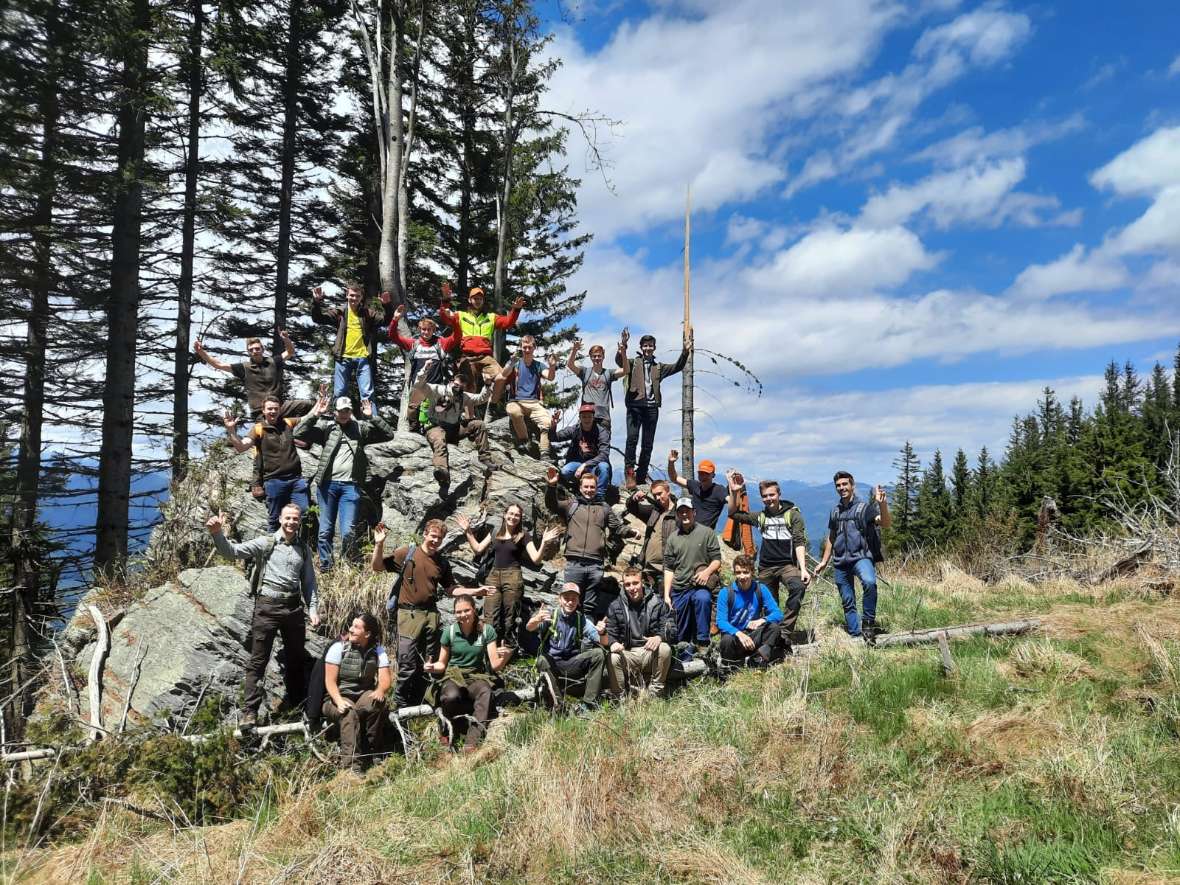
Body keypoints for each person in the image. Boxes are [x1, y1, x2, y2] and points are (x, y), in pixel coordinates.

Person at [206, 504, 319, 727]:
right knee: (258, 660)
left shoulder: (303, 549)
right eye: (288, 518)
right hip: (267, 606)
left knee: (296, 659)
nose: (291, 522)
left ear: (299, 522)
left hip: (294, 608)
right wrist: (217, 533)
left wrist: (313, 609)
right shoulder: (265, 543)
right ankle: (250, 713)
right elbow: (232, 552)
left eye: (295, 519)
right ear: (280, 519)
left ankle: (297, 707)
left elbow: (309, 583)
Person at [372, 519, 492, 709]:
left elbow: (452, 589)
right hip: (408, 615)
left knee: (428, 662)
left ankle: (424, 701)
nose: (436, 540)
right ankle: (400, 705)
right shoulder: (407, 553)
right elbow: (377, 567)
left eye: (440, 538)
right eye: (433, 536)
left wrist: (475, 592)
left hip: (431, 615)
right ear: (425, 534)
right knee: (407, 663)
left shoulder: (442, 562)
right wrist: (379, 544)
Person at [294, 390, 396, 569]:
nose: (343, 414)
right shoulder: (326, 427)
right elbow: (298, 432)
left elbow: (388, 435)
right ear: (335, 411)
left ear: (351, 412)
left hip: (351, 487)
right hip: (327, 486)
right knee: (325, 530)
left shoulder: (360, 428)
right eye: (340, 411)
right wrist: (315, 414)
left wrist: (372, 417)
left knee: (348, 531)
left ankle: (348, 565)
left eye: (347, 411)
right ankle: (326, 567)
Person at [455, 507, 562, 665]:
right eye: (511, 513)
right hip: (493, 576)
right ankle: (488, 655)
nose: (513, 517)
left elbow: (536, 559)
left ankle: (506, 656)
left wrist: (544, 543)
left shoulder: (523, 536)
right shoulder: (495, 533)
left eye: (517, 515)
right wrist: (468, 531)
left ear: (520, 518)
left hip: (513, 576)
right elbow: (477, 549)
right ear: (504, 514)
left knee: (510, 617)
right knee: (490, 615)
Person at [724, 473, 810, 642]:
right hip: (765, 567)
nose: (769, 499)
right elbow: (733, 514)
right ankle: (772, 636)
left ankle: (785, 632)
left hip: (786, 565)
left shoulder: (792, 515)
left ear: (779, 494)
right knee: (769, 605)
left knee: (798, 587)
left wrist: (803, 569)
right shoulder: (760, 517)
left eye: (772, 495)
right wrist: (734, 491)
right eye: (765, 496)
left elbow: (799, 542)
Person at [813, 472, 891, 641]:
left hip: (861, 557)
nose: (842, 488)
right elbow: (832, 537)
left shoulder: (864, 508)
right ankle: (857, 636)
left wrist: (882, 505)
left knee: (870, 583)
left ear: (852, 486)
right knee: (848, 601)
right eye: (838, 485)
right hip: (840, 561)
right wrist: (824, 562)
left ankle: (868, 623)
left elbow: (884, 523)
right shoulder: (835, 511)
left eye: (845, 484)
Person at [425, 594, 507, 752]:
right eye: (458, 612)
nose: (463, 615)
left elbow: (495, 665)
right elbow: (442, 663)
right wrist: (432, 667)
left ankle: (471, 742)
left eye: (466, 610)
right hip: (454, 675)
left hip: (477, 676)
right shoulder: (449, 632)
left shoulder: (486, 631)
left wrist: (505, 656)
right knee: (450, 696)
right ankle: (447, 730)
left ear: (474, 610)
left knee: (485, 691)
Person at [545, 466, 627, 623]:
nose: (589, 490)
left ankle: (585, 642)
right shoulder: (571, 505)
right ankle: (568, 640)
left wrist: (631, 532)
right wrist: (551, 486)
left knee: (589, 606)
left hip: (596, 564)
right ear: (580, 487)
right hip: (574, 563)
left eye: (592, 487)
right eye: (586, 487)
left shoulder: (604, 508)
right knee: (569, 603)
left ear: (596, 488)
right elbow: (552, 505)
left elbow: (617, 527)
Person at [615, 329, 690, 488]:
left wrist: (685, 351)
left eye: (650, 346)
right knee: (631, 440)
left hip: (651, 409)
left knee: (647, 444)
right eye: (645, 346)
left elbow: (678, 367)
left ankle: (641, 476)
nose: (648, 348)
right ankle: (630, 475)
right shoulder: (633, 362)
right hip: (635, 408)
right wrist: (623, 346)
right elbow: (619, 362)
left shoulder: (659, 367)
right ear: (641, 347)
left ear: (654, 348)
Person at [223, 395, 309, 532]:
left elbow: (308, 418)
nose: (273, 411)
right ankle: (272, 549)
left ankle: (296, 548)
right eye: (269, 409)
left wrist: (319, 406)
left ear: (280, 410)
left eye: (275, 409)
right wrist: (231, 430)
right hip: (274, 481)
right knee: (275, 519)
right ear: (263, 411)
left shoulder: (287, 423)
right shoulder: (258, 429)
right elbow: (241, 447)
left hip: (296, 480)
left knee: (302, 513)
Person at [311, 281, 394, 415]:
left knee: (367, 393)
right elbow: (318, 318)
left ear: (361, 297)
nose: (354, 298)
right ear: (347, 295)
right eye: (352, 295)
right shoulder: (340, 312)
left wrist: (387, 305)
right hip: (343, 358)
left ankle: (373, 423)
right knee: (339, 392)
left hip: (362, 358)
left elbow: (385, 320)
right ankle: (338, 421)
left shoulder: (367, 313)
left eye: (357, 296)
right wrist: (316, 302)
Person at [323, 612, 391, 772]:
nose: (351, 629)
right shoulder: (338, 648)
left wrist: (381, 690)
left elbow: (386, 678)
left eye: (356, 627)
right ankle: (351, 768)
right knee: (349, 713)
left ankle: (374, 752)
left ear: (367, 634)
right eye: (351, 625)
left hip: (361, 695)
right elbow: (329, 682)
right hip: (334, 698)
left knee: (377, 703)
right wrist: (339, 701)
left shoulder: (378, 651)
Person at [411, 363, 491, 497]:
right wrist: (424, 369)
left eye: (461, 386)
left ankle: (485, 458)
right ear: (451, 382)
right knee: (439, 439)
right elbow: (419, 385)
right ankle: (442, 473)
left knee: (479, 424)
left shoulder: (463, 396)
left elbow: (481, 398)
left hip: (454, 429)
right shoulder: (437, 390)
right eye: (457, 384)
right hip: (436, 427)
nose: (458, 388)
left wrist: (487, 385)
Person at [526, 582, 608, 712]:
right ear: (560, 599)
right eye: (566, 598)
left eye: (574, 598)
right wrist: (536, 619)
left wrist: (602, 632)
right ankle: (558, 704)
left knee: (598, 653)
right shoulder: (549, 616)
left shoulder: (582, 620)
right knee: (542, 659)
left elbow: (603, 642)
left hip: (572, 663)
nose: (570, 602)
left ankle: (588, 704)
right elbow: (529, 627)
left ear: (578, 601)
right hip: (552, 664)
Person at [438, 281, 523, 401]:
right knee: (468, 387)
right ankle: (467, 417)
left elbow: (508, 322)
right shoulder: (461, 315)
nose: (477, 301)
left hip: (485, 357)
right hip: (467, 357)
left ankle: (495, 403)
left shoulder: (491, 317)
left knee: (501, 376)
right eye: (475, 298)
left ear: (483, 301)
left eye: (480, 299)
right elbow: (445, 317)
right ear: (469, 300)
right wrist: (445, 300)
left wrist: (516, 310)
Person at [194, 331, 307, 420]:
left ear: (262, 349)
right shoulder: (243, 368)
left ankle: (302, 436)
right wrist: (201, 352)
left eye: (257, 348)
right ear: (248, 352)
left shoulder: (273, 361)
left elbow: (290, 351)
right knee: (268, 433)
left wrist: (286, 339)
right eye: (251, 350)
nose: (254, 351)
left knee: (308, 405)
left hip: (279, 407)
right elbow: (218, 365)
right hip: (260, 411)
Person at [387, 304, 458, 434]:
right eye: (423, 329)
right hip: (418, 384)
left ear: (433, 330)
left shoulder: (441, 343)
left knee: (437, 412)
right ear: (420, 329)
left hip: (435, 385)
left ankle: (436, 433)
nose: (425, 332)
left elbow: (457, 337)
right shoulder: (414, 343)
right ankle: (414, 435)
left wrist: (454, 320)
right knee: (413, 410)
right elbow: (393, 336)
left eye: (429, 330)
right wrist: (395, 320)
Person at [662, 497, 721, 652]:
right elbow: (668, 568)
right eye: (681, 512)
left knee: (703, 598)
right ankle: (684, 651)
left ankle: (702, 642)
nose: (684, 515)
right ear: (677, 515)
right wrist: (667, 594)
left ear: (694, 512)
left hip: (699, 585)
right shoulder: (673, 538)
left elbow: (716, 560)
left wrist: (706, 572)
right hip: (680, 587)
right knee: (681, 627)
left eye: (687, 511)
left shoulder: (706, 532)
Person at [605, 567, 672, 698]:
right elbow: (611, 632)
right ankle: (620, 697)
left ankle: (655, 693)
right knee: (612, 657)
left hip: (649, 652)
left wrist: (659, 637)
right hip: (629, 653)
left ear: (642, 583)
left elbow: (670, 627)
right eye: (628, 584)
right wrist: (613, 643)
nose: (632, 588)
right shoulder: (615, 606)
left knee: (665, 649)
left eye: (635, 583)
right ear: (623, 586)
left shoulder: (657, 602)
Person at [716, 554, 785, 669]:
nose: (742, 577)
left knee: (774, 628)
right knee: (726, 640)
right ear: (734, 573)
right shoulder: (726, 593)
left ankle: (758, 659)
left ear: (752, 572)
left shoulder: (760, 589)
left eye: (745, 572)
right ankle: (730, 668)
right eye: (738, 573)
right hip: (735, 638)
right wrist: (739, 634)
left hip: (753, 635)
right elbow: (721, 622)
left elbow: (777, 614)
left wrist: (762, 620)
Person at [499, 337, 558, 456]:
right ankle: (525, 441)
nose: (527, 350)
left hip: (534, 403)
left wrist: (552, 366)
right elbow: (503, 374)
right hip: (515, 401)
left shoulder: (538, 365)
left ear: (534, 348)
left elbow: (550, 377)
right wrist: (511, 362)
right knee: (513, 412)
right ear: (521, 347)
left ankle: (545, 453)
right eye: (524, 347)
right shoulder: (515, 362)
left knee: (547, 422)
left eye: (529, 347)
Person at [549, 403, 612, 500]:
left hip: (595, 465)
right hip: (577, 464)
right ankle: (576, 488)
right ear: (580, 418)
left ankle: (599, 497)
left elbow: (604, 454)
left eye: (589, 416)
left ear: (593, 417)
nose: (586, 419)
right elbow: (553, 438)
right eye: (584, 417)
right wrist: (553, 426)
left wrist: (585, 465)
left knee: (604, 467)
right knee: (565, 471)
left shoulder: (602, 432)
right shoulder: (575, 429)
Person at [625, 479, 677, 587]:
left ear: (668, 491)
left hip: (667, 570)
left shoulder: (679, 514)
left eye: (660, 494)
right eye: (655, 495)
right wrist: (634, 499)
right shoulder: (654, 512)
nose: (657, 498)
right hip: (648, 569)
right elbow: (632, 508)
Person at [566, 338, 625, 428]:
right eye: (594, 356)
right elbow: (570, 365)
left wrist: (623, 353)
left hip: (603, 417)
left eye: (599, 356)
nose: (596, 358)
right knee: (584, 442)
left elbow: (625, 371)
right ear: (590, 357)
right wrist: (575, 350)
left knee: (603, 442)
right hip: (586, 416)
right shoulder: (585, 372)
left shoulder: (609, 373)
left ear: (603, 357)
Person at [667, 452, 728, 530]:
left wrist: (734, 491)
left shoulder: (718, 490)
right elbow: (674, 478)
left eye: (706, 474)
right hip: (688, 530)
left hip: (704, 535)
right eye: (701, 473)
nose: (703, 476)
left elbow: (731, 502)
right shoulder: (695, 485)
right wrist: (671, 463)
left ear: (713, 475)